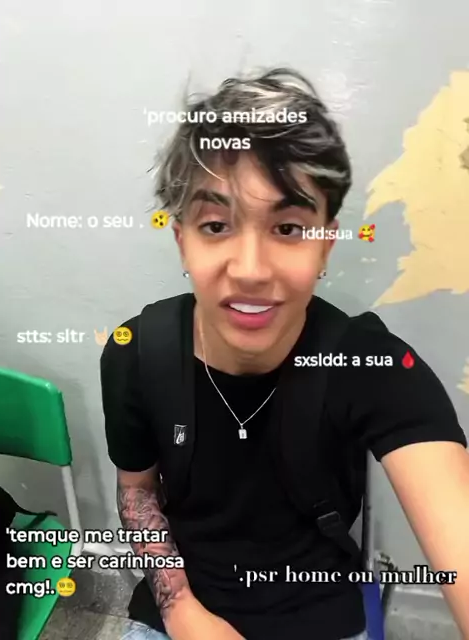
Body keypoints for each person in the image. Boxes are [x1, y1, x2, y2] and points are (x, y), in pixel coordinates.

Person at [100, 68, 469, 640]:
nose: (250, 270)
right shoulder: (137, 353)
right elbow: (138, 491)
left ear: (325, 244)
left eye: (290, 228)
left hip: (321, 614)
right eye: (215, 225)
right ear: (182, 241)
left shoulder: (373, 368)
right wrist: (181, 611)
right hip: (182, 605)